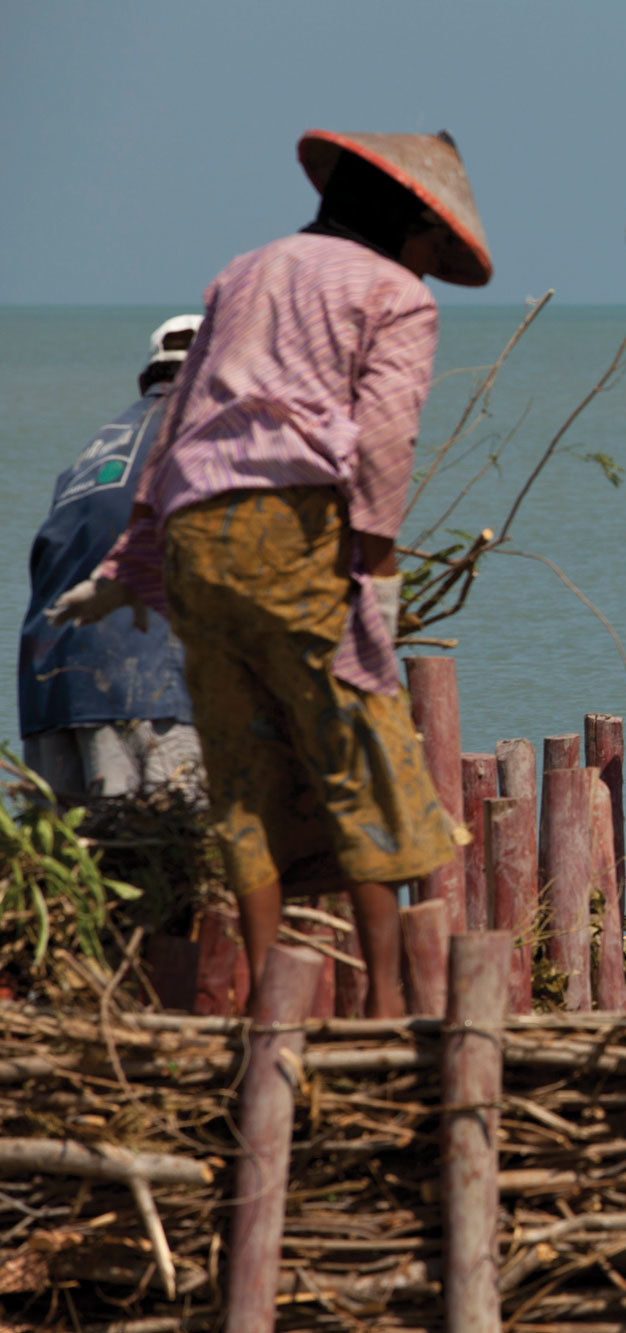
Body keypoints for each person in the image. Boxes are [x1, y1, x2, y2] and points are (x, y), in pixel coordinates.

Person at [50, 129, 493, 1018]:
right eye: (428, 248)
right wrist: (374, 571)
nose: (427, 266)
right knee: (358, 755)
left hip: (195, 543)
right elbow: (381, 441)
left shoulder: (244, 271)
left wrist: (131, 562)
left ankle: (269, 1005)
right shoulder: (394, 294)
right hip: (293, 532)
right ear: (412, 226)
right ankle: (387, 1004)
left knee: (242, 777)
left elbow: (178, 428)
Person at [19, 317, 205, 803]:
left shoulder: (96, 449)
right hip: (150, 689)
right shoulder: (206, 436)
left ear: (147, 381)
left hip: (51, 695)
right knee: (179, 856)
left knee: (79, 866)